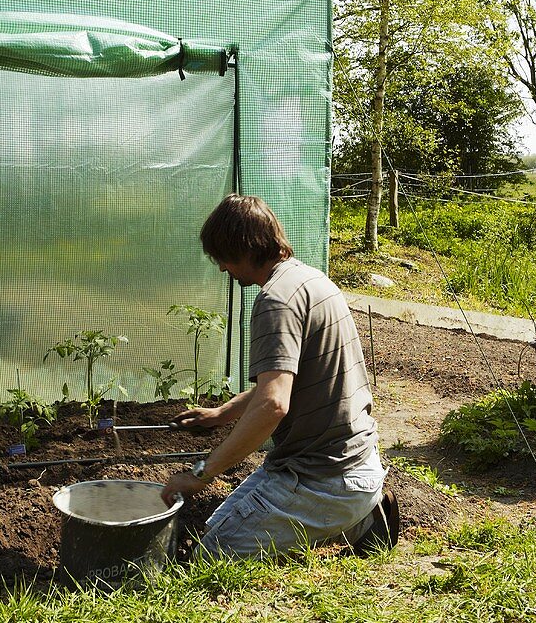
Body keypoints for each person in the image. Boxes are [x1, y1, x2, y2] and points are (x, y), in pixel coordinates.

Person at [161, 194, 398, 558]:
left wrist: (199, 475)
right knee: (212, 527)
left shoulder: (276, 302)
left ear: (242, 248)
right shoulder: (311, 280)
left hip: (322, 479)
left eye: (222, 258)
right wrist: (223, 414)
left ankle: (356, 518)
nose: (223, 270)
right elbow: (288, 382)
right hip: (355, 461)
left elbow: (273, 403)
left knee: (205, 557)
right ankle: (361, 514)